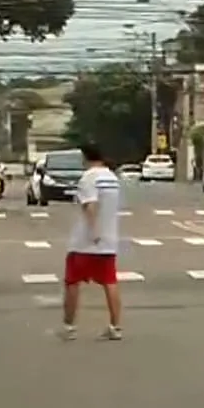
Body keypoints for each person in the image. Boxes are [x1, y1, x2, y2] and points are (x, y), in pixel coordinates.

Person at [60, 144, 124, 342]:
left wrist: (94, 231)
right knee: (110, 282)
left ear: (85, 157)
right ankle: (115, 326)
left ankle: (69, 327)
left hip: (85, 241)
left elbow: (91, 204)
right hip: (109, 239)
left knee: (72, 282)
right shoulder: (112, 178)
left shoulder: (89, 177)